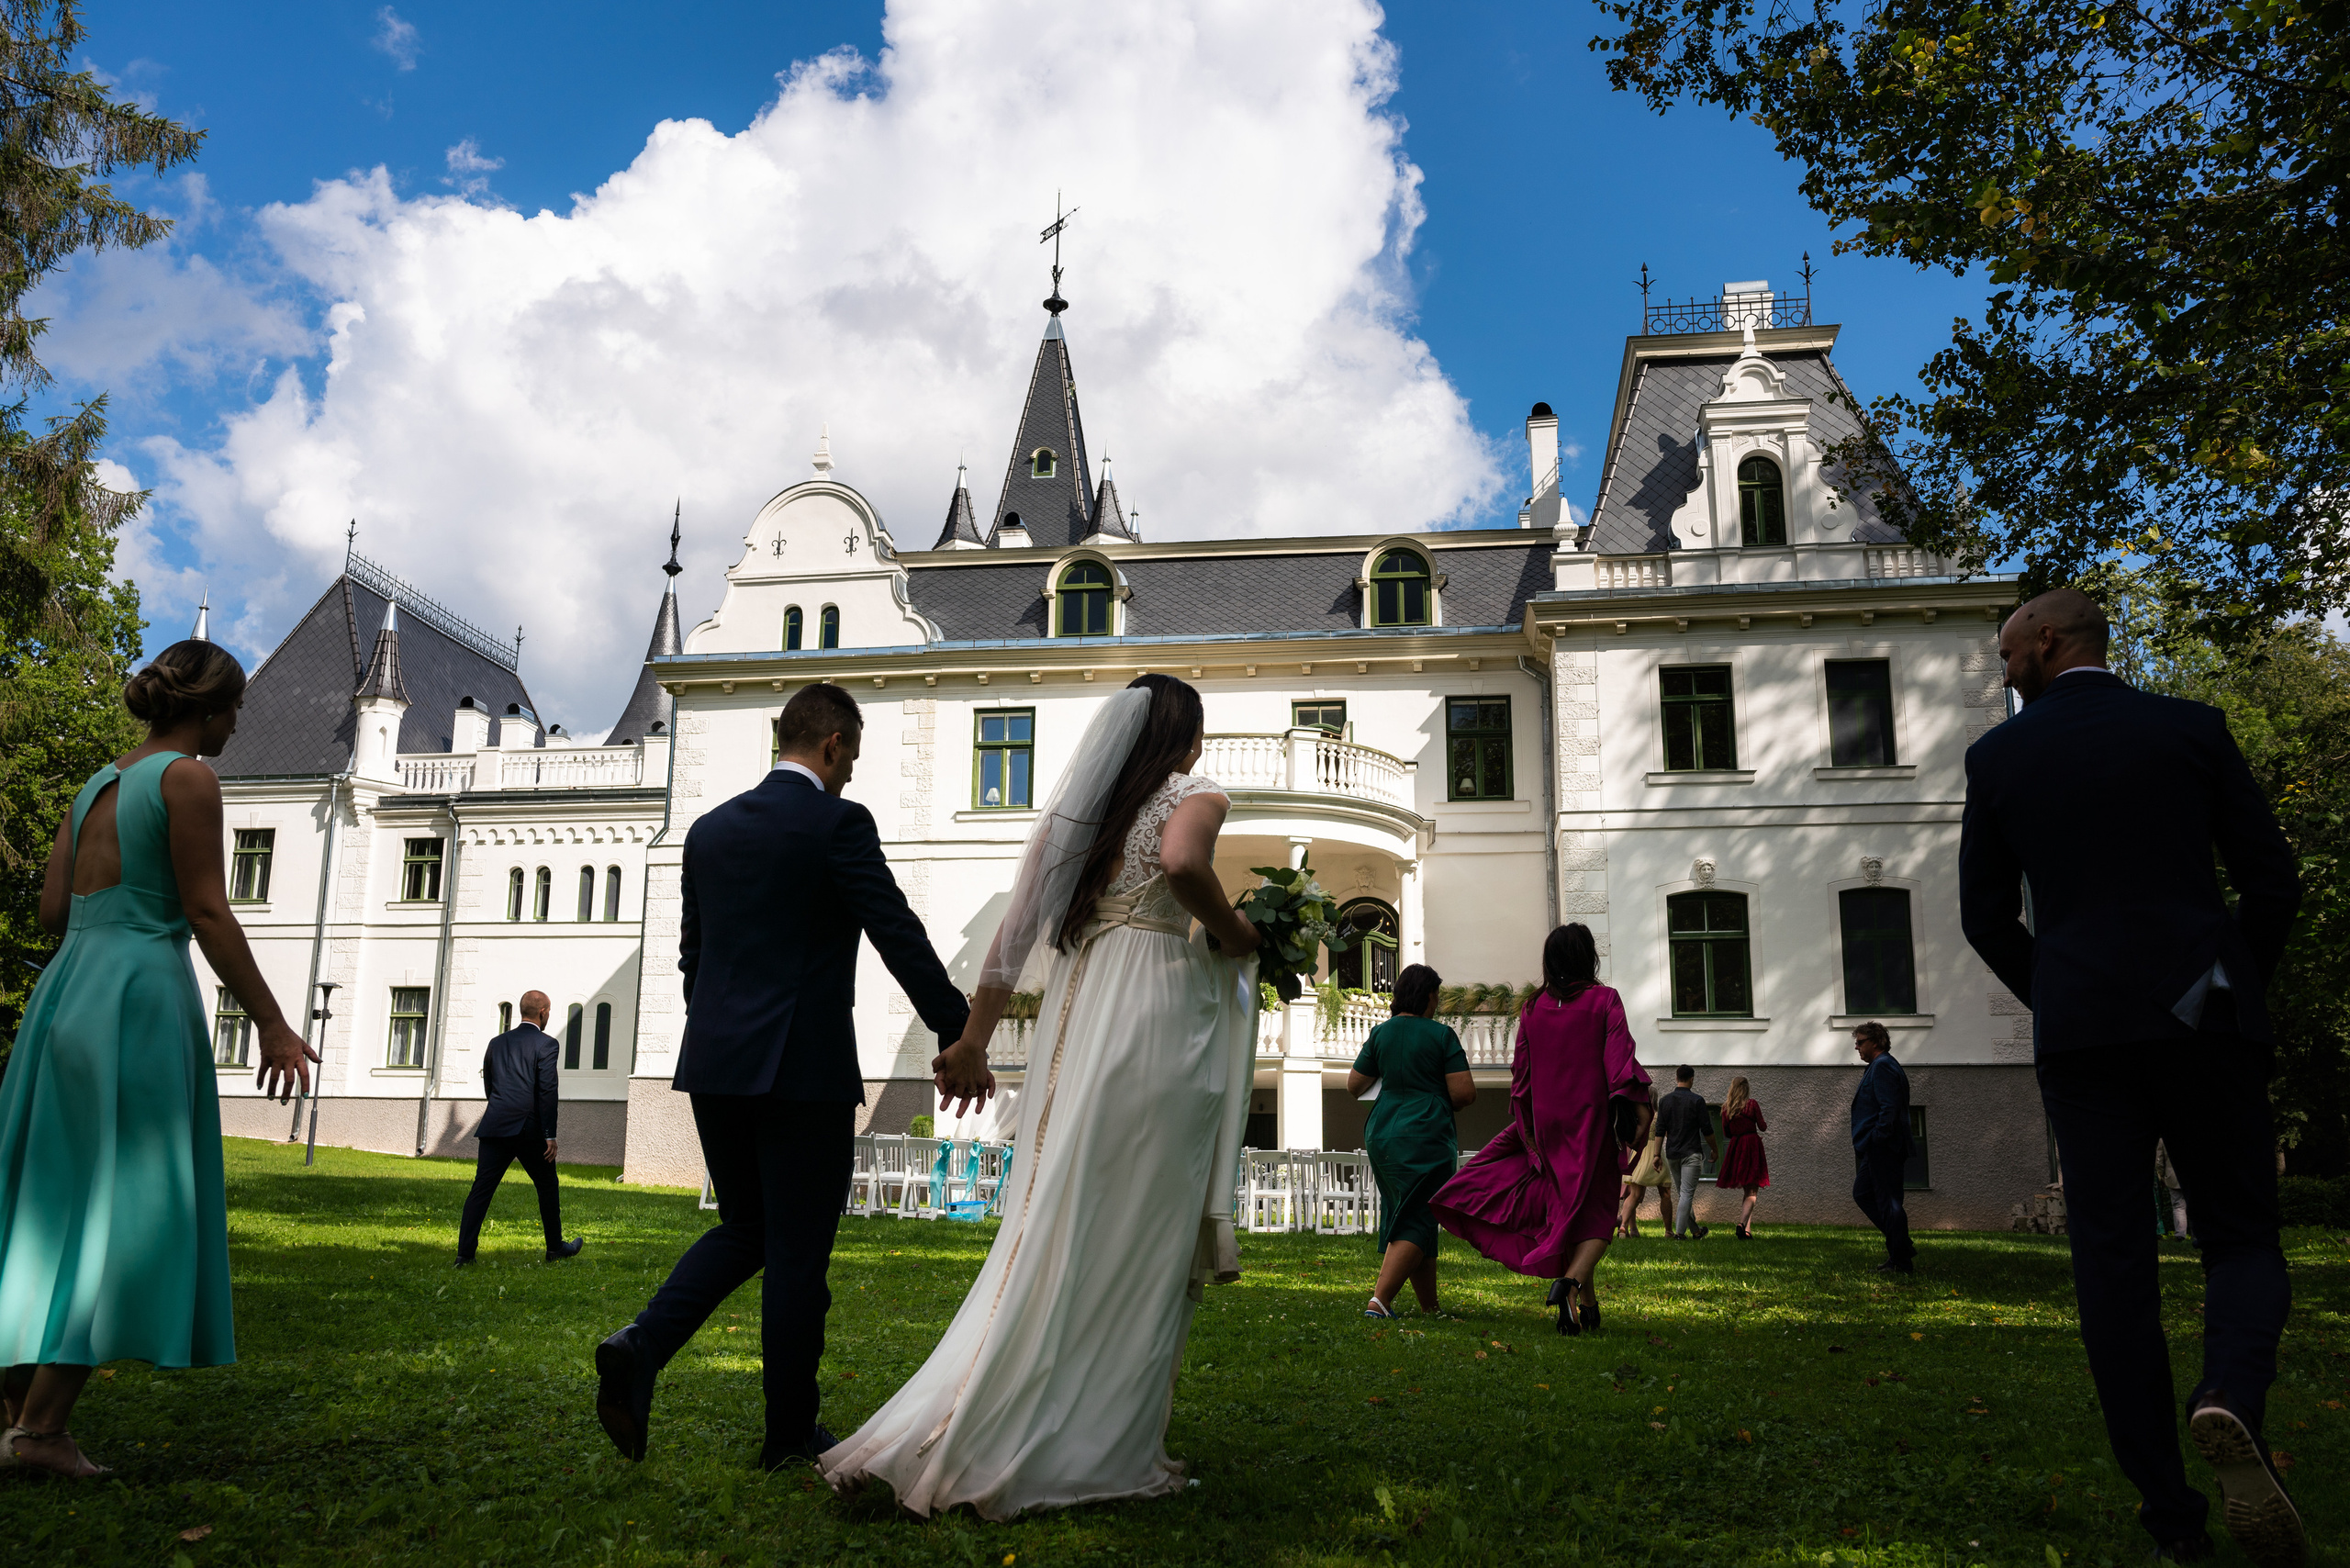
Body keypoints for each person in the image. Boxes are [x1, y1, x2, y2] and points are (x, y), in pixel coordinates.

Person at [819, 675, 1261, 1520]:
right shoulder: (1194, 793)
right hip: (1153, 1013)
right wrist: (1238, 932)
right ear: (1185, 736)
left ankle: (983, 1409)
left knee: (1055, 1212)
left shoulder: (1076, 819)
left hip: (1080, 1011)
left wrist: (973, 1041)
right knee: (1139, 1224)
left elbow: (1011, 939)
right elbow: (1181, 863)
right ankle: (1101, 1433)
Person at [1961, 587, 2303, 1566]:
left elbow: (1986, 918)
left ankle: (2172, 1517)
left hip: (2081, 1037)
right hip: (2206, 1013)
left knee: (2111, 1269)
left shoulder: (1999, 757)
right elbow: (2270, 880)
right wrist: (2229, 986)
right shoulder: (2189, 730)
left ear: (2047, 641)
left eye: (2007, 651)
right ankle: (2228, 1392)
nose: (2001, 667)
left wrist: (2061, 994)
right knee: (2240, 1235)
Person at [593, 682, 971, 1473]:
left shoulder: (707, 831)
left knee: (747, 1229)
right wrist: (957, 1025)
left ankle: (642, 1346)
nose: (851, 776)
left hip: (715, 1065)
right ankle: (788, 1438)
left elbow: (693, 957)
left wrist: (722, 1035)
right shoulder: (838, 822)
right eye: (853, 759)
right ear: (832, 745)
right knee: (797, 1255)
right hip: (803, 1070)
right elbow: (894, 930)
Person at [0, 642, 315, 1477]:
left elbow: (51, 909)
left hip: (67, 994)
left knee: (45, 1197)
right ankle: (40, 1432)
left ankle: (18, 1417)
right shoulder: (189, 779)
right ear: (210, 710)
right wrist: (275, 1027)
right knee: (123, 1205)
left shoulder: (95, 785)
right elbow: (209, 911)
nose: (238, 724)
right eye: (235, 709)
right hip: (138, 997)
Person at [1428, 924, 1653, 1336]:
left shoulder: (1532, 1008)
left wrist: (1529, 1131)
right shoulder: (1605, 1000)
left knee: (1570, 1211)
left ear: (1550, 961)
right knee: (1600, 1216)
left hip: (1548, 1124)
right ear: (1589, 958)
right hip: (1591, 1124)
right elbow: (1620, 1065)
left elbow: (1522, 1076)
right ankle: (1568, 1286)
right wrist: (1642, 1107)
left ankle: (1588, 1302)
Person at [1348, 964, 1474, 1318]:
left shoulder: (1380, 1034)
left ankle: (1430, 1307)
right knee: (1419, 1217)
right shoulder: (1441, 1035)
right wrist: (1433, 1095)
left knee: (1411, 1213)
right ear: (1428, 995)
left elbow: (1354, 1085)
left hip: (1383, 1133)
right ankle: (1380, 1301)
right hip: (1426, 1135)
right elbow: (1464, 1093)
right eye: (1436, 996)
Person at [455, 991, 581, 1266]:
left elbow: (490, 1083)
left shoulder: (496, 1042)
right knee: (547, 1185)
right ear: (543, 1012)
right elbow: (547, 1090)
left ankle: (464, 1255)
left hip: (495, 1124)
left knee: (481, 1189)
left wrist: (501, 1109)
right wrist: (550, 1134)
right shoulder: (547, 1044)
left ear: (522, 1010)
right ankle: (555, 1248)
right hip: (530, 1129)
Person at [1850, 1023, 1917, 1271]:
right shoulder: (1878, 1066)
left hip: (1884, 1147)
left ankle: (1901, 1260)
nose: (1856, 1046)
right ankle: (1901, 1245)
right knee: (1863, 1193)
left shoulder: (1884, 1066)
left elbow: (1889, 1109)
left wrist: (1877, 1138)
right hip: (1877, 1147)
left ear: (1876, 1041)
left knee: (1889, 1203)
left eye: (1860, 1041)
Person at [1653, 1067, 1717, 1239]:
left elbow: (1660, 1130)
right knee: (1686, 1194)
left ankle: (1696, 1231)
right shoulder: (1697, 1101)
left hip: (1672, 1154)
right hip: (1691, 1154)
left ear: (1676, 1078)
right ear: (1692, 1079)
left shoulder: (1665, 1101)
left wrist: (1656, 1155)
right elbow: (1707, 1129)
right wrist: (1715, 1149)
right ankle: (1680, 1235)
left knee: (1683, 1195)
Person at [1717, 1075, 1769, 1238]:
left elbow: (1726, 1133)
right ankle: (1741, 1224)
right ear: (1746, 1088)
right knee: (1752, 1190)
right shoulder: (1751, 1104)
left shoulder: (1726, 1108)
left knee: (1747, 1191)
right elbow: (1763, 1127)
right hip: (1751, 1146)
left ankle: (1747, 1230)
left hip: (1737, 1147)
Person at [1617, 1128, 1667, 1238]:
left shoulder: (1639, 1114)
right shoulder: (1652, 1114)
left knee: (1633, 1193)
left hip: (1636, 1150)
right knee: (1637, 1192)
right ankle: (1668, 1231)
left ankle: (1625, 1226)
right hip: (1648, 1151)